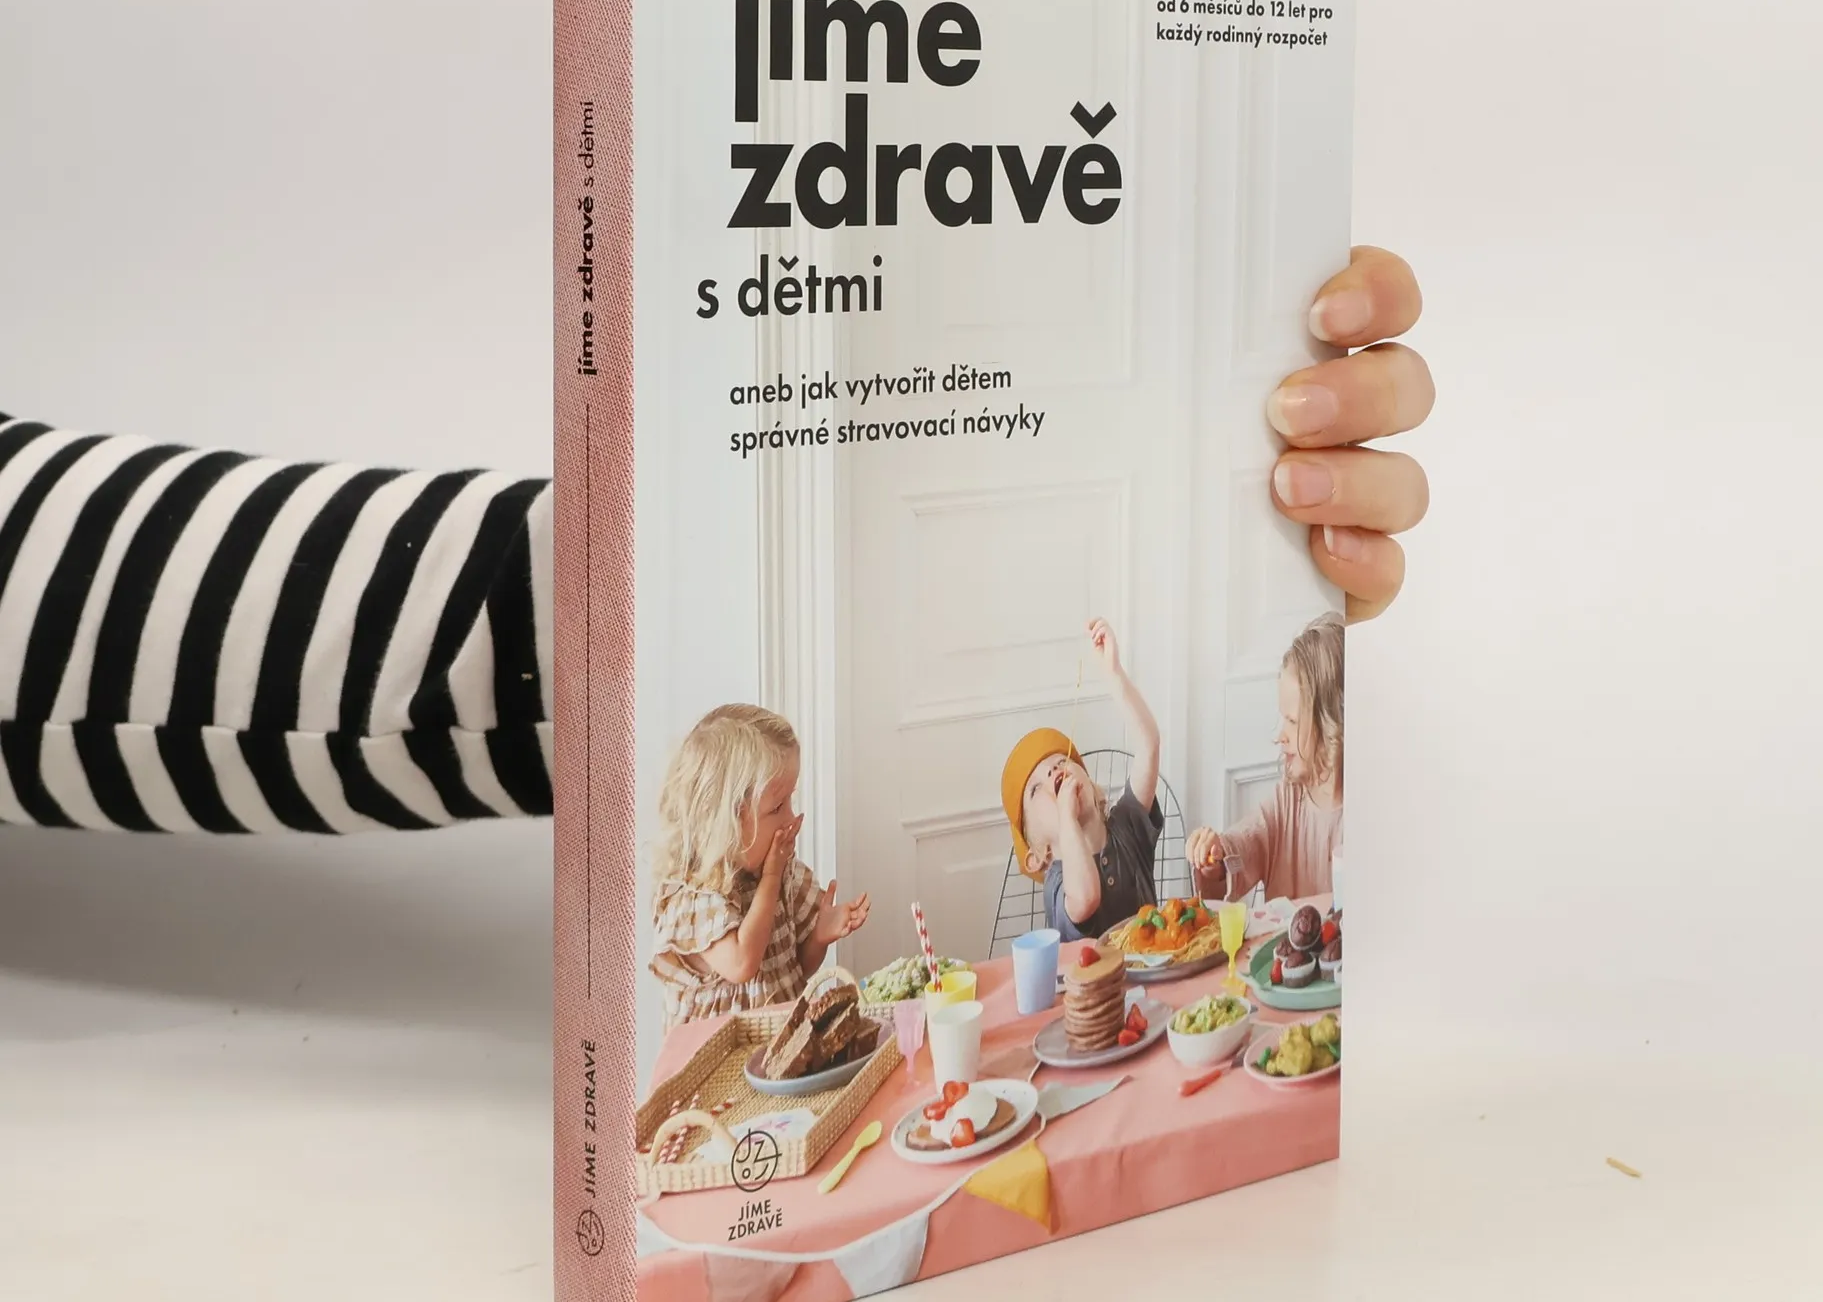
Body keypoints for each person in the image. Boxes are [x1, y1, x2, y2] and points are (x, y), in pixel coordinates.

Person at [0, 248, 1432, 834]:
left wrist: (1222, 522)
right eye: (1054, 776)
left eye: (1064, 772)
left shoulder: (1122, 835)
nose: (1071, 782)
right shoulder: (1067, 873)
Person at [648, 704, 869, 1027]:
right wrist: (771, 878)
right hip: (714, 1055)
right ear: (725, 820)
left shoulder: (781, 874)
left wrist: (819, 937)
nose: (791, 817)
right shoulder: (693, 897)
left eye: (790, 800)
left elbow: (794, 971)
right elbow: (742, 963)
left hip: (773, 1045)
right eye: (777, 807)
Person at [1000, 619, 1160, 941]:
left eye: (1062, 761)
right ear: (1039, 854)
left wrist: (1113, 672)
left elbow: (1149, 744)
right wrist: (1067, 817)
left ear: (1090, 783)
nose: (1053, 772)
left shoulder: (1127, 826)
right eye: (1036, 789)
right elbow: (1086, 898)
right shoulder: (1058, 883)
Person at [1187, 610, 1343, 905]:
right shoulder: (1287, 801)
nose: (1280, 735)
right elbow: (1245, 843)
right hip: (1280, 939)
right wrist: (1216, 858)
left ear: (1331, 725)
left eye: (1293, 721)